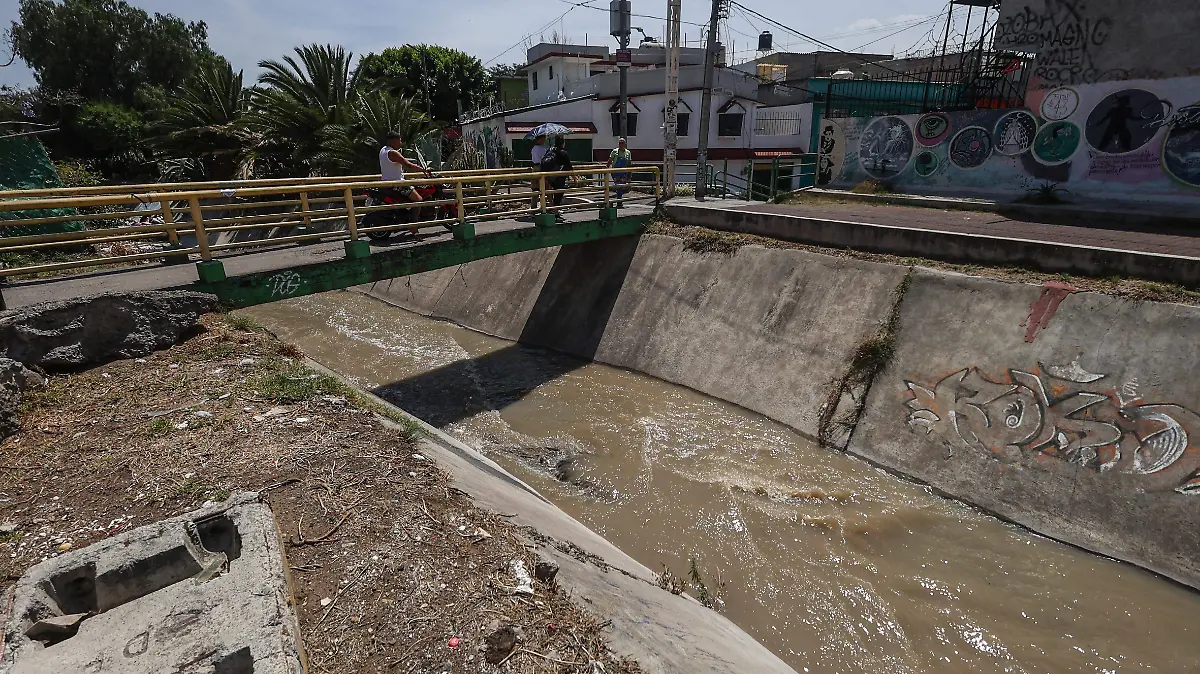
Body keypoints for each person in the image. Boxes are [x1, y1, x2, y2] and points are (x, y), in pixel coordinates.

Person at [378, 132, 429, 204]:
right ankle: (415, 212)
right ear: (394, 141)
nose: (401, 143)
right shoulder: (393, 153)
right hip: (398, 184)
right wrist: (424, 170)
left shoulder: (383, 150)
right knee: (419, 200)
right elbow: (408, 166)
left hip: (386, 183)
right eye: (399, 141)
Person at [543, 136, 574, 221]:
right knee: (558, 194)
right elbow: (569, 166)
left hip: (548, 177)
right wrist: (575, 178)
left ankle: (553, 211)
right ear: (563, 143)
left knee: (550, 193)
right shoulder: (563, 153)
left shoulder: (550, 150)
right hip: (558, 178)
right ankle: (555, 214)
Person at [607, 137, 632, 207]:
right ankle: (619, 201)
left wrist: (629, 173)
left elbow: (629, 163)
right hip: (616, 172)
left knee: (621, 186)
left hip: (624, 172)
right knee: (618, 186)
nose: (621, 145)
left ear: (625, 144)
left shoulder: (628, 152)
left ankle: (619, 201)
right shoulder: (614, 151)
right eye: (620, 143)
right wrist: (606, 169)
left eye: (622, 143)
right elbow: (609, 161)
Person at [529, 135, 549, 210]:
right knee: (544, 188)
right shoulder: (543, 149)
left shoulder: (533, 148)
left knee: (535, 189)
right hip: (541, 167)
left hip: (535, 168)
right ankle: (543, 207)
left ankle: (533, 207)